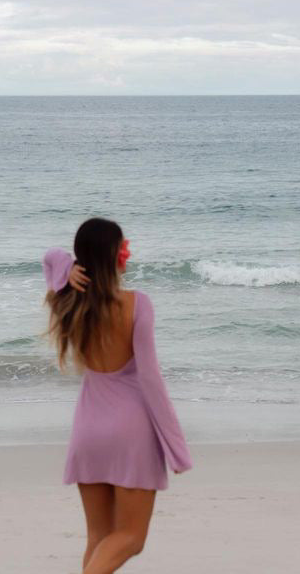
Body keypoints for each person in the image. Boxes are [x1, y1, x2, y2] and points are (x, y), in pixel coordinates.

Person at [43, 217, 193, 573]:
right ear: (115, 255)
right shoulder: (137, 304)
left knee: (99, 538)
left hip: (88, 430)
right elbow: (151, 380)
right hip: (130, 432)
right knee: (130, 537)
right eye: (124, 245)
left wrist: (66, 271)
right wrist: (176, 447)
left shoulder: (66, 302)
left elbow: (49, 257)